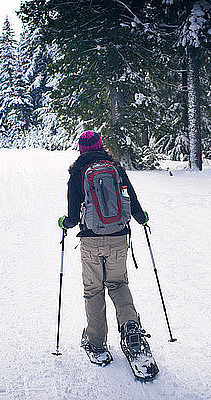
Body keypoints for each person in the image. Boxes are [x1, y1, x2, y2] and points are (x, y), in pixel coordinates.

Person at [58, 130, 149, 363]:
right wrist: (141, 218)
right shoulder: (115, 169)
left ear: (81, 150)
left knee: (94, 289)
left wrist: (65, 224)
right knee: (118, 284)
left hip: (90, 239)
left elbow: (71, 214)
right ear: (101, 146)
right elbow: (133, 201)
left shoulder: (78, 173)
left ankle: (96, 342)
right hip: (119, 236)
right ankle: (131, 328)